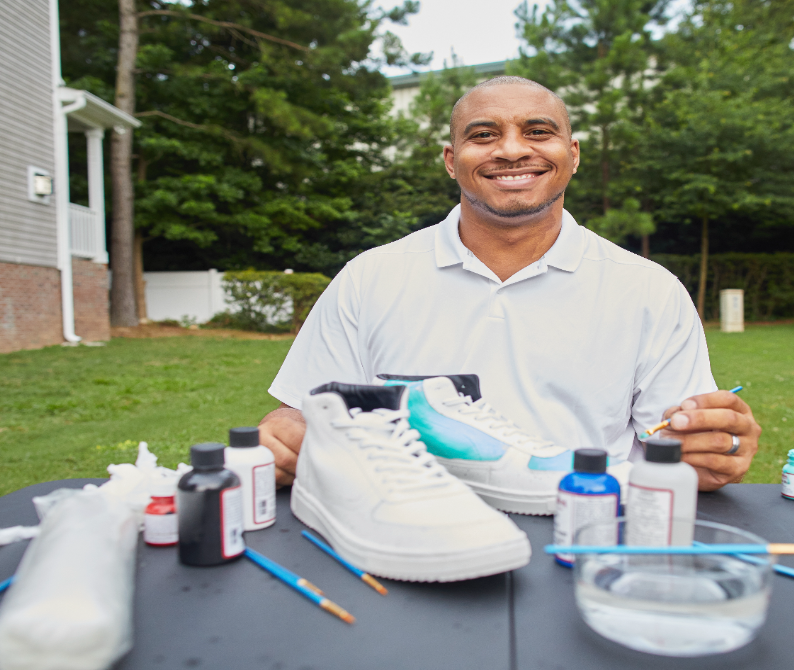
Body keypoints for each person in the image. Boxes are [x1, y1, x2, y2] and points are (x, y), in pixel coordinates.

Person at [259, 76, 761, 491]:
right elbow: (303, 415)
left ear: (573, 153)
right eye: (483, 135)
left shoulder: (650, 291)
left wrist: (713, 446)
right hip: (406, 523)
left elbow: (678, 448)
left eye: (538, 131)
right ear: (452, 160)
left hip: (585, 525)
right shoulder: (369, 277)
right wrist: (284, 434)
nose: (513, 150)